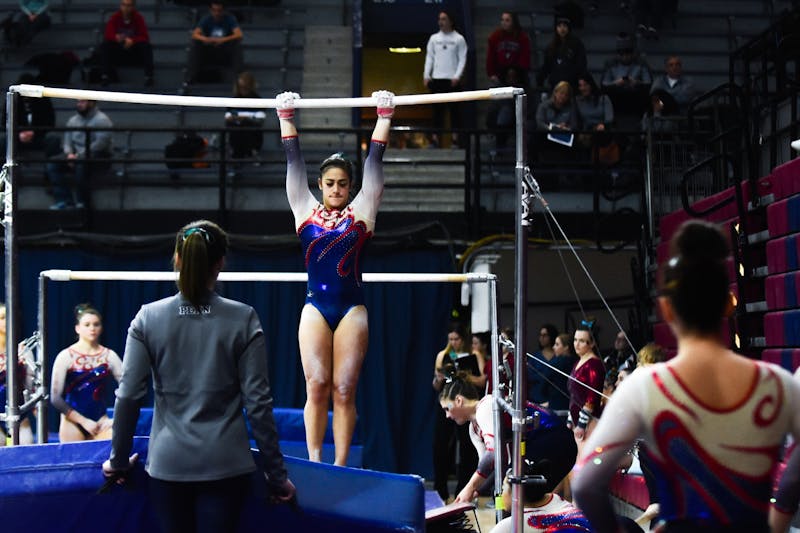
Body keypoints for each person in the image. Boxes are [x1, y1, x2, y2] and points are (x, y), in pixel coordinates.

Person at [572, 220, 800, 532]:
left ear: (667, 310)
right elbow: (795, 472)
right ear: (728, 304)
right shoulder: (778, 384)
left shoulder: (646, 386)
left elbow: (585, 485)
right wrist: (778, 520)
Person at [102, 220, 295, 533]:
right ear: (220, 264)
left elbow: (128, 396)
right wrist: (276, 474)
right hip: (225, 465)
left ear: (177, 259)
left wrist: (118, 461)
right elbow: (258, 404)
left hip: (169, 465)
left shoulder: (147, 318)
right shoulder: (243, 318)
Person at [276, 89, 394, 467]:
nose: (337, 190)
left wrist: (384, 116)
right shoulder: (304, 210)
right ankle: (313, 460)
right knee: (317, 385)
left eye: (343, 183)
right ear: (321, 185)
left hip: (350, 309)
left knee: (344, 390)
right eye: (330, 184)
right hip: (315, 306)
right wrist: (286, 114)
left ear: (350, 186)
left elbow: (375, 161)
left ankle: (341, 465)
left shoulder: (362, 210)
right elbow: (293, 160)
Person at [439, 373, 576, 504]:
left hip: (555, 438)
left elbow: (492, 454)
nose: (447, 416)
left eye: (446, 409)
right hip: (543, 443)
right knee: (504, 495)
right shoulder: (473, 430)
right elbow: (489, 466)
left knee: (519, 495)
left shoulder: (485, 406)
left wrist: (469, 487)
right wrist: (476, 490)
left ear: (458, 400)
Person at [50, 304, 122, 443]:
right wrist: (83, 422)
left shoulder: (109, 356)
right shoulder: (66, 356)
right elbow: (55, 398)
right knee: (73, 462)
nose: (92, 328)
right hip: (72, 421)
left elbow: (129, 389)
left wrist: (116, 418)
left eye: (96, 324)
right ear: (77, 328)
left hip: (101, 420)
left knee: (111, 459)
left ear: (101, 328)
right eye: (87, 324)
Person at [432, 323, 482, 501]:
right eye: (450, 339)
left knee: (467, 447)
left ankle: (464, 488)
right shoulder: (443, 355)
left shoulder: (473, 354)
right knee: (441, 446)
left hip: (464, 404)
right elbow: (436, 385)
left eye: (456, 339)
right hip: (448, 403)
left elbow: (483, 380)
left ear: (463, 339)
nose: (453, 343)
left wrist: (466, 375)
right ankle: (440, 489)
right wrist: (439, 378)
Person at [45, 99, 113, 210]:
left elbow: (100, 144)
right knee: (53, 163)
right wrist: (69, 154)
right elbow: (67, 141)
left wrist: (78, 156)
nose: (79, 105)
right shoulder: (73, 120)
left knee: (81, 164)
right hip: (75, 155)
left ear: (92, 103)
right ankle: (64, 200)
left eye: (82, 102)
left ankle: (82, 202)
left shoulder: (102, 120)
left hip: (98, 155)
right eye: (78, 102)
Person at [490, 459, 592, 532]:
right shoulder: (555, 499)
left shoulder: (510, 525)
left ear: (516, 494)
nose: (500, 494)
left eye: (503, 489)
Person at [423, 10, 467, 147]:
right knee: (437, 113)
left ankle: (455, 140)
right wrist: (426, 75)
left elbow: (462, 58)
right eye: (439, 19)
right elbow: (429, 57)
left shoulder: (458, 39)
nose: (440, 22)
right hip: (437, 79)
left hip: (452, 81)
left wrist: (457, 76)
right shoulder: (434, 39)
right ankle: (436, 140)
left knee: (454, 113)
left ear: (451, 21)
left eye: (444, 19)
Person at [94, 0, 154, 87]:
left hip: (133, 51)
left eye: (129, 6)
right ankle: (105, 76)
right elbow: (108, 34)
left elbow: (145, 36)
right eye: (124, 5)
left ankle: (149, 77)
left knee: (146, 46)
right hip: (118, 50)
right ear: (120, 6)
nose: (126, 8)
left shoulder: (138, 18)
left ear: (133, 7)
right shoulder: (115, 17)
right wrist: (116, 38)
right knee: (105, 45)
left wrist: (133, 40)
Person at [0, 304, 34, 446]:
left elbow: (31, 385)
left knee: (25, 456)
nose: (6, 321)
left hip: (19, 414)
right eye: (2, 317)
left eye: (8, 317)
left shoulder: (24, 350)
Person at [185, 1, 243, 85]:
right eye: (214, 10)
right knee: (195, 44)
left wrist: (223, 39)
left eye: (219, 10)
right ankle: (190, 78)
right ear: (211, 10)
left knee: (237, 45)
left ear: (223, 11)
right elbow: (195, 34)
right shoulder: (206, 19)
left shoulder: (230, 18)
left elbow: (239, 34)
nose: (216, 13)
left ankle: (239, 79)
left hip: (224, 50)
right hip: (209, 49)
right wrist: (206, 39)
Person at [567, 320, 605, 444]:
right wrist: (570, 418)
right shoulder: (577, 362)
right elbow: (574, 395)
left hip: (589, 423)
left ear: (592, 343)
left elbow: (592, 397)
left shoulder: (594, 364)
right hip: (576, 421)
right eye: (575, 340)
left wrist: (582, 424)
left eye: (582, 341)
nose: (576, 344)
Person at [601, 33, 652, 117]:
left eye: (628, 53)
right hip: (616, 95)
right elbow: (604, 83)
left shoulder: (641, 63)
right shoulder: (610, 64)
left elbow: (648, 82)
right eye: (621, 54)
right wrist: (615, 83)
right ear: (617, 53)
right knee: (607, 95)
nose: (625, 57)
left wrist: (636, 83)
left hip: (636, 95)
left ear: (632, 53)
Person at [536, 16, 586, 90]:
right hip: (555, 84)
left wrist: (581, 77)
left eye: (564, 26)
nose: (562, 29)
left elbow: (581, 63)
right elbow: (546, 65)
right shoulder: (551, 47)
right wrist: (540, 80)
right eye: (559, 26)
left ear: (568, 28)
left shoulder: (576, 44)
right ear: (556, 28)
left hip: (571, 83)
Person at [225, 71, 265, 160]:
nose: (243, 89)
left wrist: (245, 117)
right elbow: (228, 115)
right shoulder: (234, 100)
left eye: (245, 87)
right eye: (241, 87)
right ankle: (236, 155)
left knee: (247, 125)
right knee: (234, 127)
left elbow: (261, 116)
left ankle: (252, 152)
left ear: (250, 86)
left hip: (251, 130)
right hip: (236, 129)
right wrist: (235, 118)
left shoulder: (257, 99)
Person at [486, 12, 530, 87]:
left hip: (518, 75)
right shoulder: (495, 36)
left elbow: (525, 58)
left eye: (507, 20)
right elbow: (491, 57)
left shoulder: (522, 37)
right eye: (502, 20)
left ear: (514, 22)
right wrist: (491, 74)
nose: (504, 23)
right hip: (500, 74)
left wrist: (516, 72)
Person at [527, 323, 557, 405]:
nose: (542, 338)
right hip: (537, 398)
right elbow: (529, 376)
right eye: (540, 335)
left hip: (553, 399)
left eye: (545, 335)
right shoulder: (535, 357)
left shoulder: (558, 356)